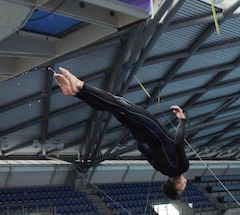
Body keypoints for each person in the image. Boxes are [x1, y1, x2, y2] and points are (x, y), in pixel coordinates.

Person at [54, 67, 189, 200]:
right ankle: (76, 92)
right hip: (139, 133)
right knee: (113, 107)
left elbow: (177, 143)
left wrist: (182, 120)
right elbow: (142, 147)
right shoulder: (162, 168)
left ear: (178, 187)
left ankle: (80, 86)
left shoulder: (183, 167)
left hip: (150, 128)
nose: (184, 187)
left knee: (118, 103)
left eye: (182, 190)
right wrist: (138, 132)